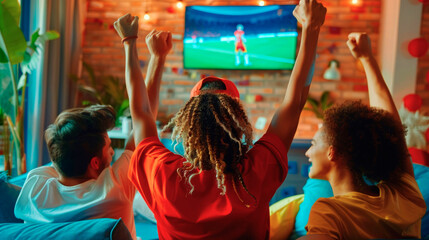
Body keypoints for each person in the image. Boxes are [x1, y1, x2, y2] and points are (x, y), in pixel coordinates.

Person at [114, 0, 325, 238]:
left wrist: (133, 45)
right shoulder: (258, 171)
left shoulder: (162, 172)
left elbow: (142, 112)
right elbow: (295, 102)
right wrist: (310, 29)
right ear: (238, 123)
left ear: (188, 127)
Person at [301, 33, 427, 239]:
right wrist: (367, 58)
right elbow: (393, 130)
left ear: (332, 152)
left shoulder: (328, 212)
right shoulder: (402, 194)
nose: (308, 152)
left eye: (313, 144)